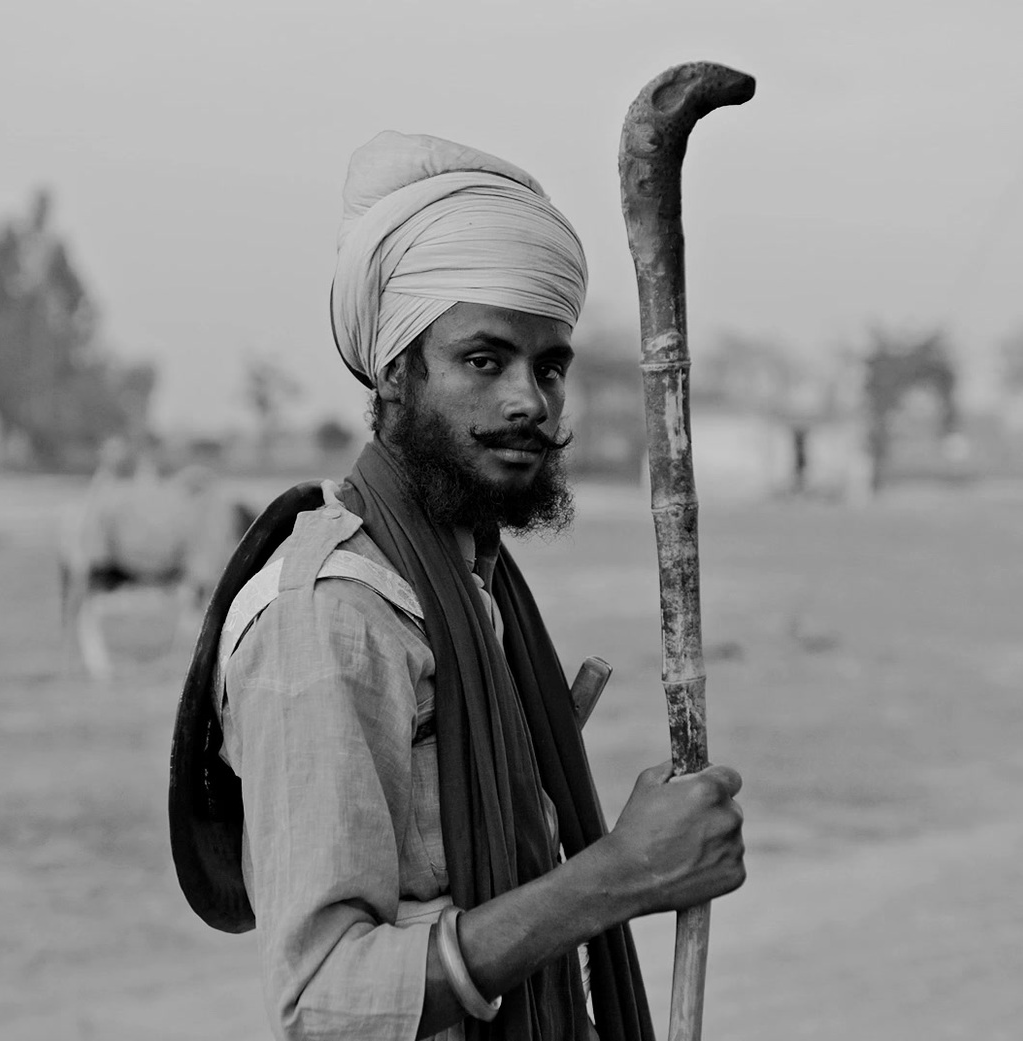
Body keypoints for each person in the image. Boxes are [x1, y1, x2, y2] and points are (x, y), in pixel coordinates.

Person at [172, 131, 745, 1041]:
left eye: (548, 367)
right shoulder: (335, 616)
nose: (529, 400)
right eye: (485, 361)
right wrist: (620, 874)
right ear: (396, 373)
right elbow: (325, 1000)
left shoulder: (474, 583)